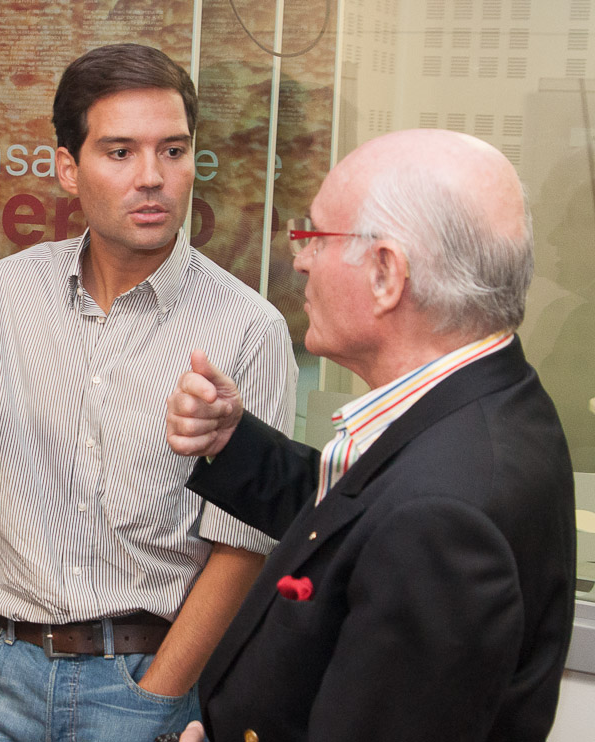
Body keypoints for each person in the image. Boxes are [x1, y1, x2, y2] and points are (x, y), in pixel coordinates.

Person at [0, 43, 296, 741]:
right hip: (0, 671)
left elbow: (244, 549)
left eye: (173, 151)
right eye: (120, 152)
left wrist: (156, 692)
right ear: (67, 168)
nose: (153, 177)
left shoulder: (248, 328)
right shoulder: (7, 292)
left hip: (145, 679)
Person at [166, 129, 575, 741]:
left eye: (315, 236)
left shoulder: (441, 520)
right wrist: (233, 442)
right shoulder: (487, 403)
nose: (300, 259)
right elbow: (360, 524)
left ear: (386, 273)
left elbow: (403, 522)